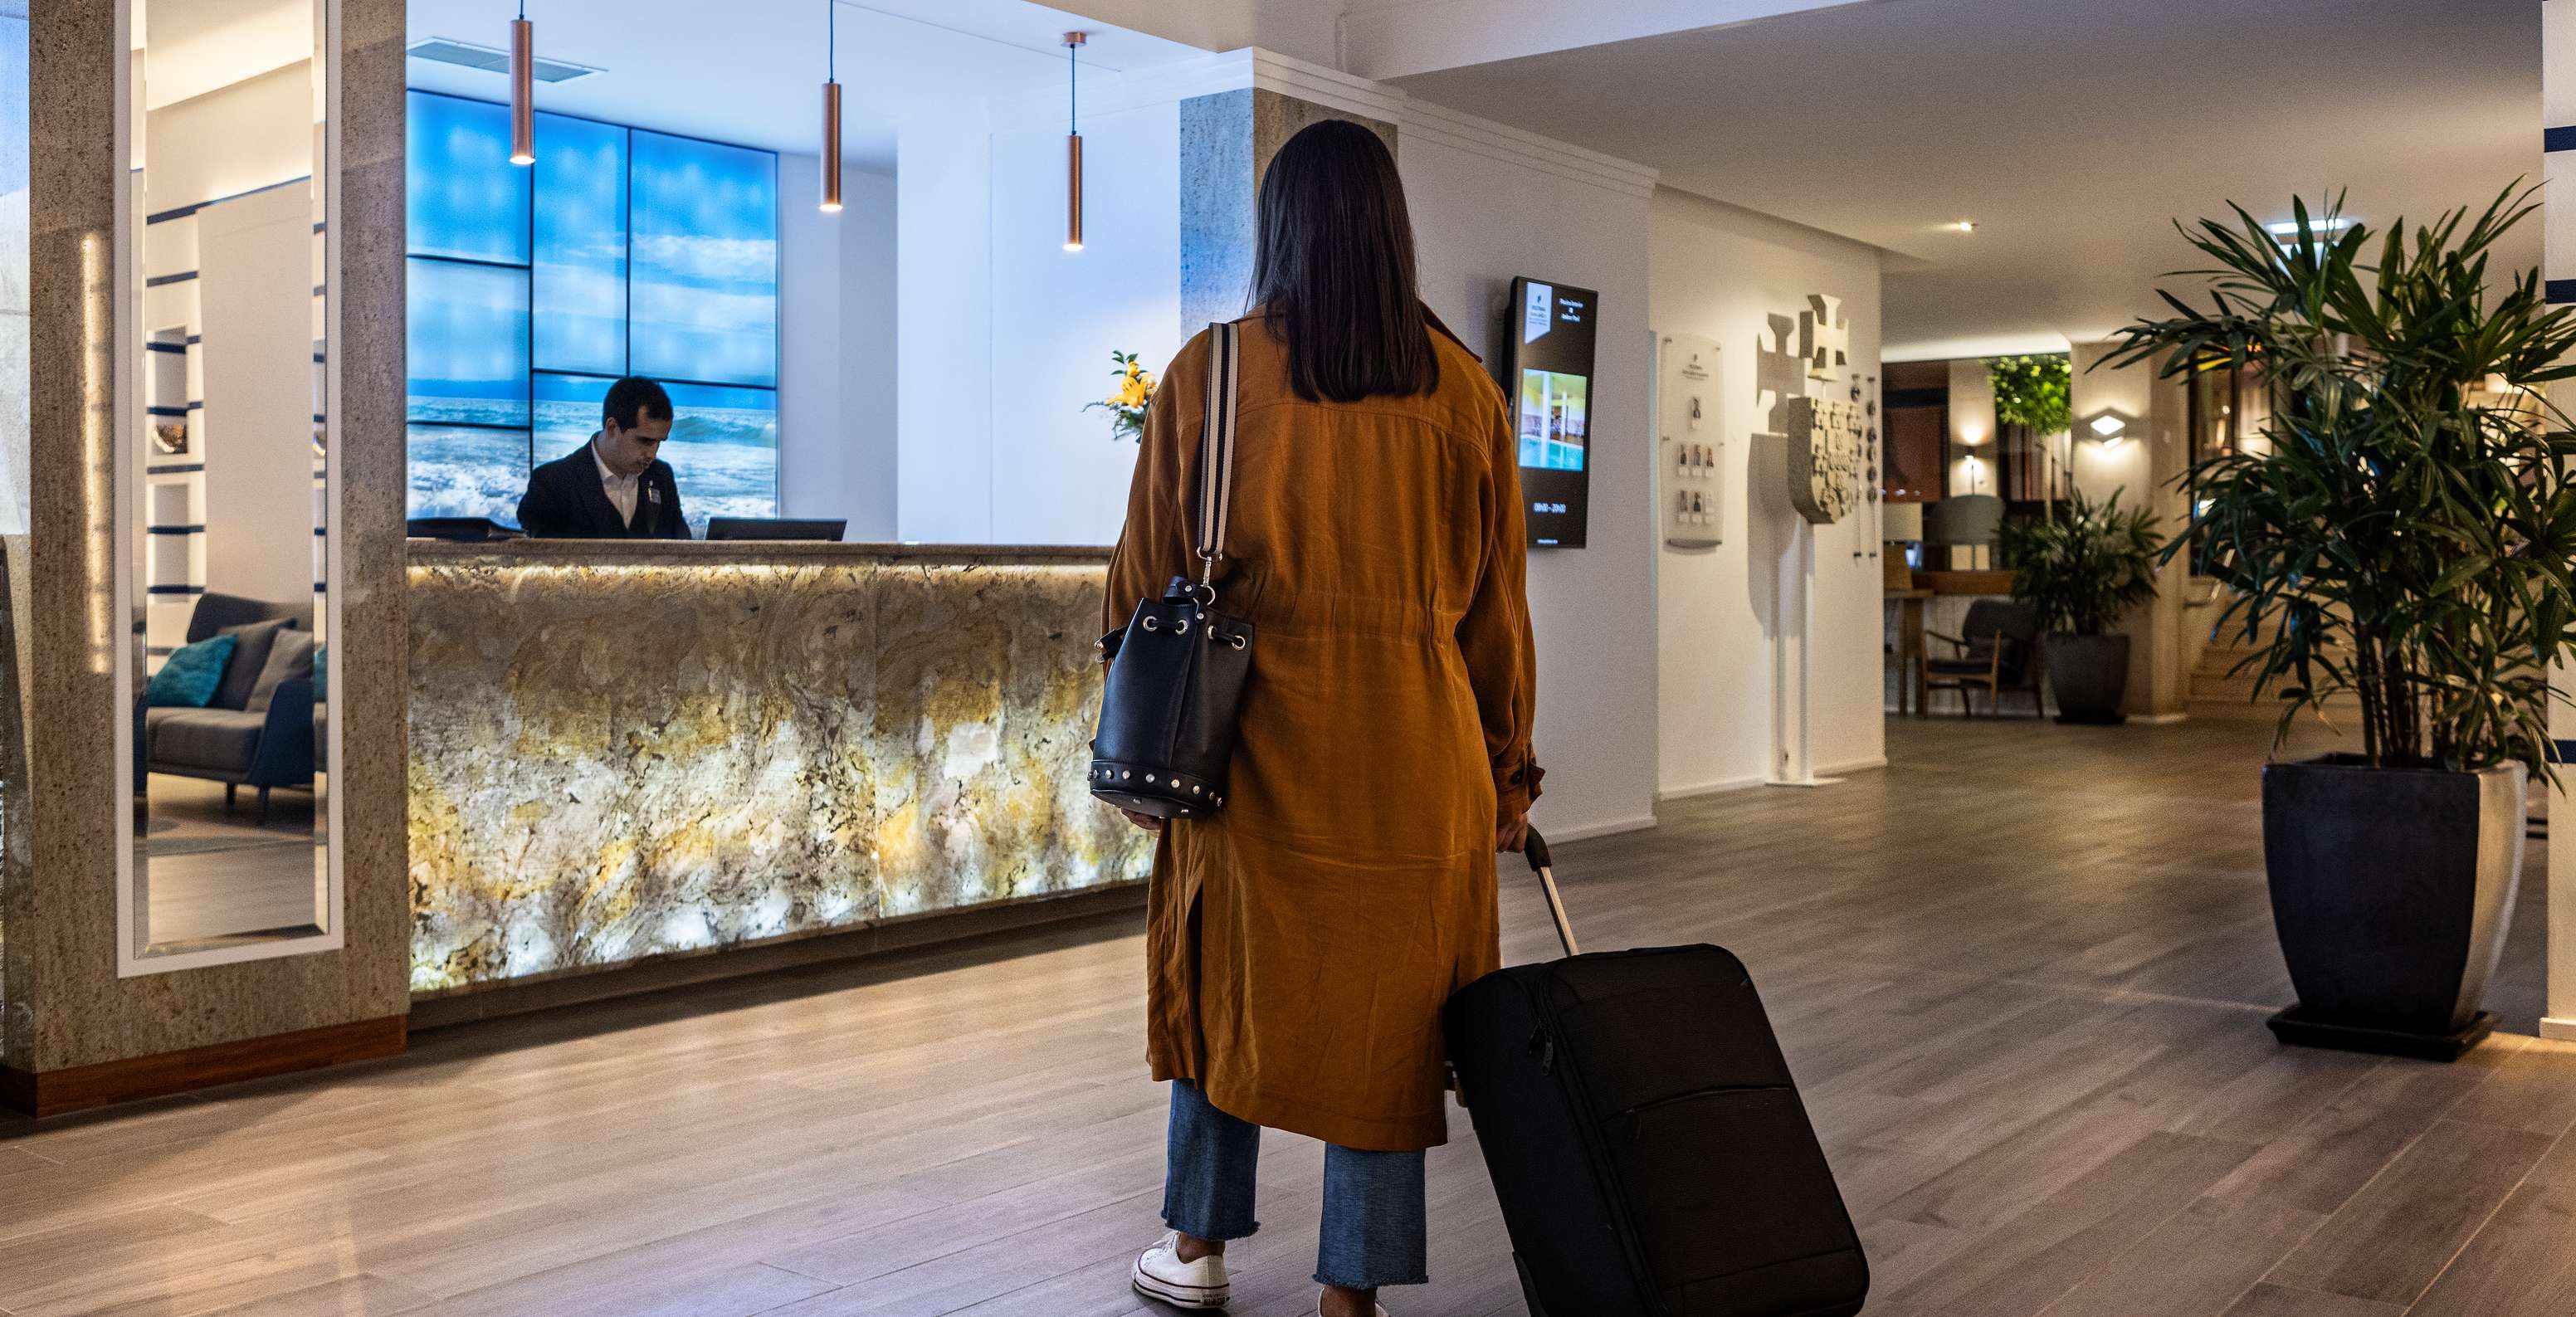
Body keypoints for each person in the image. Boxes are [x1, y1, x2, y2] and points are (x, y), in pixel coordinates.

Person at [1110, 120, 1539, 1317]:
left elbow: (1143, 580)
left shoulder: (1214, 373)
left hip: (1247, 753)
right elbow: (1496, 614)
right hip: (1417, 756)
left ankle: (1196, 1247)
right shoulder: (1468, 394)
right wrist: (1508, 769)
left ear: (1279, 228)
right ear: (1395, 227)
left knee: (1222, 987)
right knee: (1392, 1025)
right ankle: (1353, 1291)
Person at [515, 376, 690, 538]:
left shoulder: (661, 475)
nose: (652, 454)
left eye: (659, 442)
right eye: (645, 441)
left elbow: (682, 545)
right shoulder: (551, 482)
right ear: (613, 428)